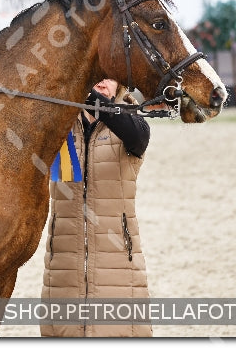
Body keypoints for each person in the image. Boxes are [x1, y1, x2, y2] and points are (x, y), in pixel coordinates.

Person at [41, 79, 153, 337]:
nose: (103, 81)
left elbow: (135, 135)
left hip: (118, 257)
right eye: (97, 74)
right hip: (63, 260)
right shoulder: (59, 120)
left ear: (120, 84)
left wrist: (82, 92)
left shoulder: (132, 120)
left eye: (109, 75)